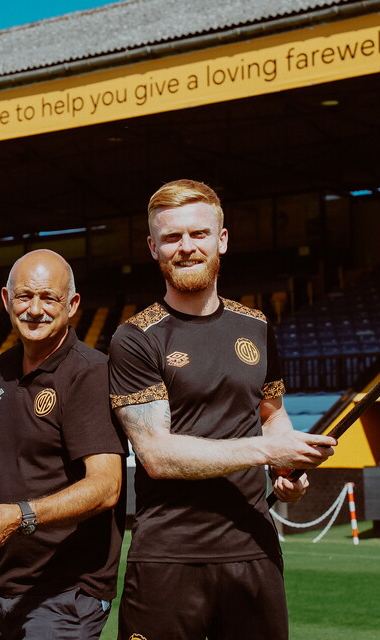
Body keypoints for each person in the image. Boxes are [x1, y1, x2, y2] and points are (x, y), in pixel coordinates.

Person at [107, 179, 337, 640]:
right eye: (172, 238)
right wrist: (268, 452)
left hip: (253, 550)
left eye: (199, 234)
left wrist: (285, 470)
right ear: (153, 248)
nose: (186, 247)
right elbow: (157, 454)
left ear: (222, 240)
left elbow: (271, 412)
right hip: (168, 556)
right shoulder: (135, 338)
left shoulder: (255, 326)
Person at [0, 249, 128, 640]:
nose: (35, 309)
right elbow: (0, 456)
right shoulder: (0, 368)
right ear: (6, 300)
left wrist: (19, 516)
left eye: (49, 298)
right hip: (0, 587)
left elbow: (107, 487)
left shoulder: (90, 372)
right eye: (24, 296)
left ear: (71, 305)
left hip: (65, 594)